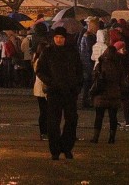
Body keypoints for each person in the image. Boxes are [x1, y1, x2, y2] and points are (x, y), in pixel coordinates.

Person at [36, 26, 83, 160]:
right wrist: (51, 82)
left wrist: (77, 85)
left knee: (71, 120)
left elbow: (79, 70)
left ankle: (67, 147)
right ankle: (55, 150)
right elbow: (40, 70)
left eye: (61, 37)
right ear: (53, 38)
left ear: (65, 38)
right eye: (56, 37)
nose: (58, 40)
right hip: (54, 92)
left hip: (70, 91)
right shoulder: (48, 51)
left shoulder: (72, 52)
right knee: (53, 122)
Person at [89, 44, 127, 144]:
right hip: (114, 95)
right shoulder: (119, 66)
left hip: (101, 95)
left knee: (99, 117)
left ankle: (95, 137)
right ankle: (111, 138)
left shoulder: (100, 64)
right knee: (113, 117)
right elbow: (122, 81)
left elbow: (94, 78)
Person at [79, 18, 99, 108]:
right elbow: (90, 50)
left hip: (85, 61)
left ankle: (85, 100)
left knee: (87, 82)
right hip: (88, 62)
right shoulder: (89, 36)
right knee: (88, 82)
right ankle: (86, 101)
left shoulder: (86, 35)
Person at [32, 42, 49, 141]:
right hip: (41, 88)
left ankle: (45, 131)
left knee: (45, 111)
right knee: (44, 111)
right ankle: (43, 132)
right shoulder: (39, 60)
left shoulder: (37, 59)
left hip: (41, 88)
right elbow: (40, 74)